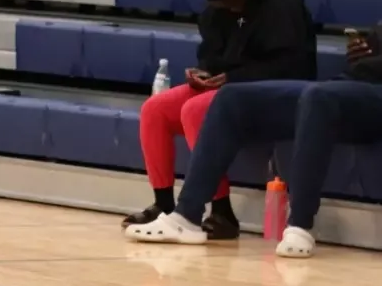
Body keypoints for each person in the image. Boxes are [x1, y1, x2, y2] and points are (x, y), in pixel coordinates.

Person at [126, 22, 382, 258]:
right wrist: (366, 48)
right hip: (355, 83)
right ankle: (186, 216)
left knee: (319, 98)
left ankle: (301, 224)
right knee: (230, 97)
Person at [120, 0, 314, 239]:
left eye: (229, 0)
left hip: (274, 94)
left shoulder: (282, 3)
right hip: (230, 89)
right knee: (155, 109)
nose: (227, 7)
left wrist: (233, 78)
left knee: (196, 109)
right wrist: (205, 72)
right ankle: (164, 204)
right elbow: (212, 54)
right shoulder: (219, 8)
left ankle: (221, 211)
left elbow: (293, 68)